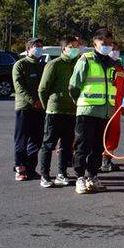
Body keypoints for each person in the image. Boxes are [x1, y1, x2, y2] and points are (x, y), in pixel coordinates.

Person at [68, 28, 116, 194]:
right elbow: (74, 85)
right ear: (95, 43)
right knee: (83, 146)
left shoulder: (111, 62)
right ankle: (80, 178)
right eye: (104, 43)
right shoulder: (86, 59)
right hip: (87, 110)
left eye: (110, 44)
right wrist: (80, 102)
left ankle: (93, 176)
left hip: (104, 112)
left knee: (97, 147)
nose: (107, 46)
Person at [37, 36, 79, 187]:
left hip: (72, 111)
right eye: (71, 47)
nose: (75, 49)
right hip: (55, 111)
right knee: (49, 144)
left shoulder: (78, 64)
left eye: (76, 46)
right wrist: (46, 105)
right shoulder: (54, 64)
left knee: (67, 144)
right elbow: (42, 89)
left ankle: (62, 173)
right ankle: (45, 175)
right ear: (64, 49)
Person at [13, 37, 46, 181]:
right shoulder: (20, 65)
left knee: (36, 140)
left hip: (40, 108)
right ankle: (20, 168)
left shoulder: (42, 65)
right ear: (28, 49)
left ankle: (31, 168)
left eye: (40, 46)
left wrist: (43, 102)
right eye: (36, 46)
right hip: (25, 108)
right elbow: (19, 87)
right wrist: (34, 101)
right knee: (22, 140)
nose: (39, 49)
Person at [100, 43, 124, 173]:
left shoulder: (120, 67)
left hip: (116, 105)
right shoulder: (102, 65)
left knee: (114, 134)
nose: (115, 52)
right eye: (113, 49)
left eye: (117, 49)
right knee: (101, 133)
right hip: (103, 105)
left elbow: (123, 88)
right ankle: (99, 160)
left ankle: (107, 159)